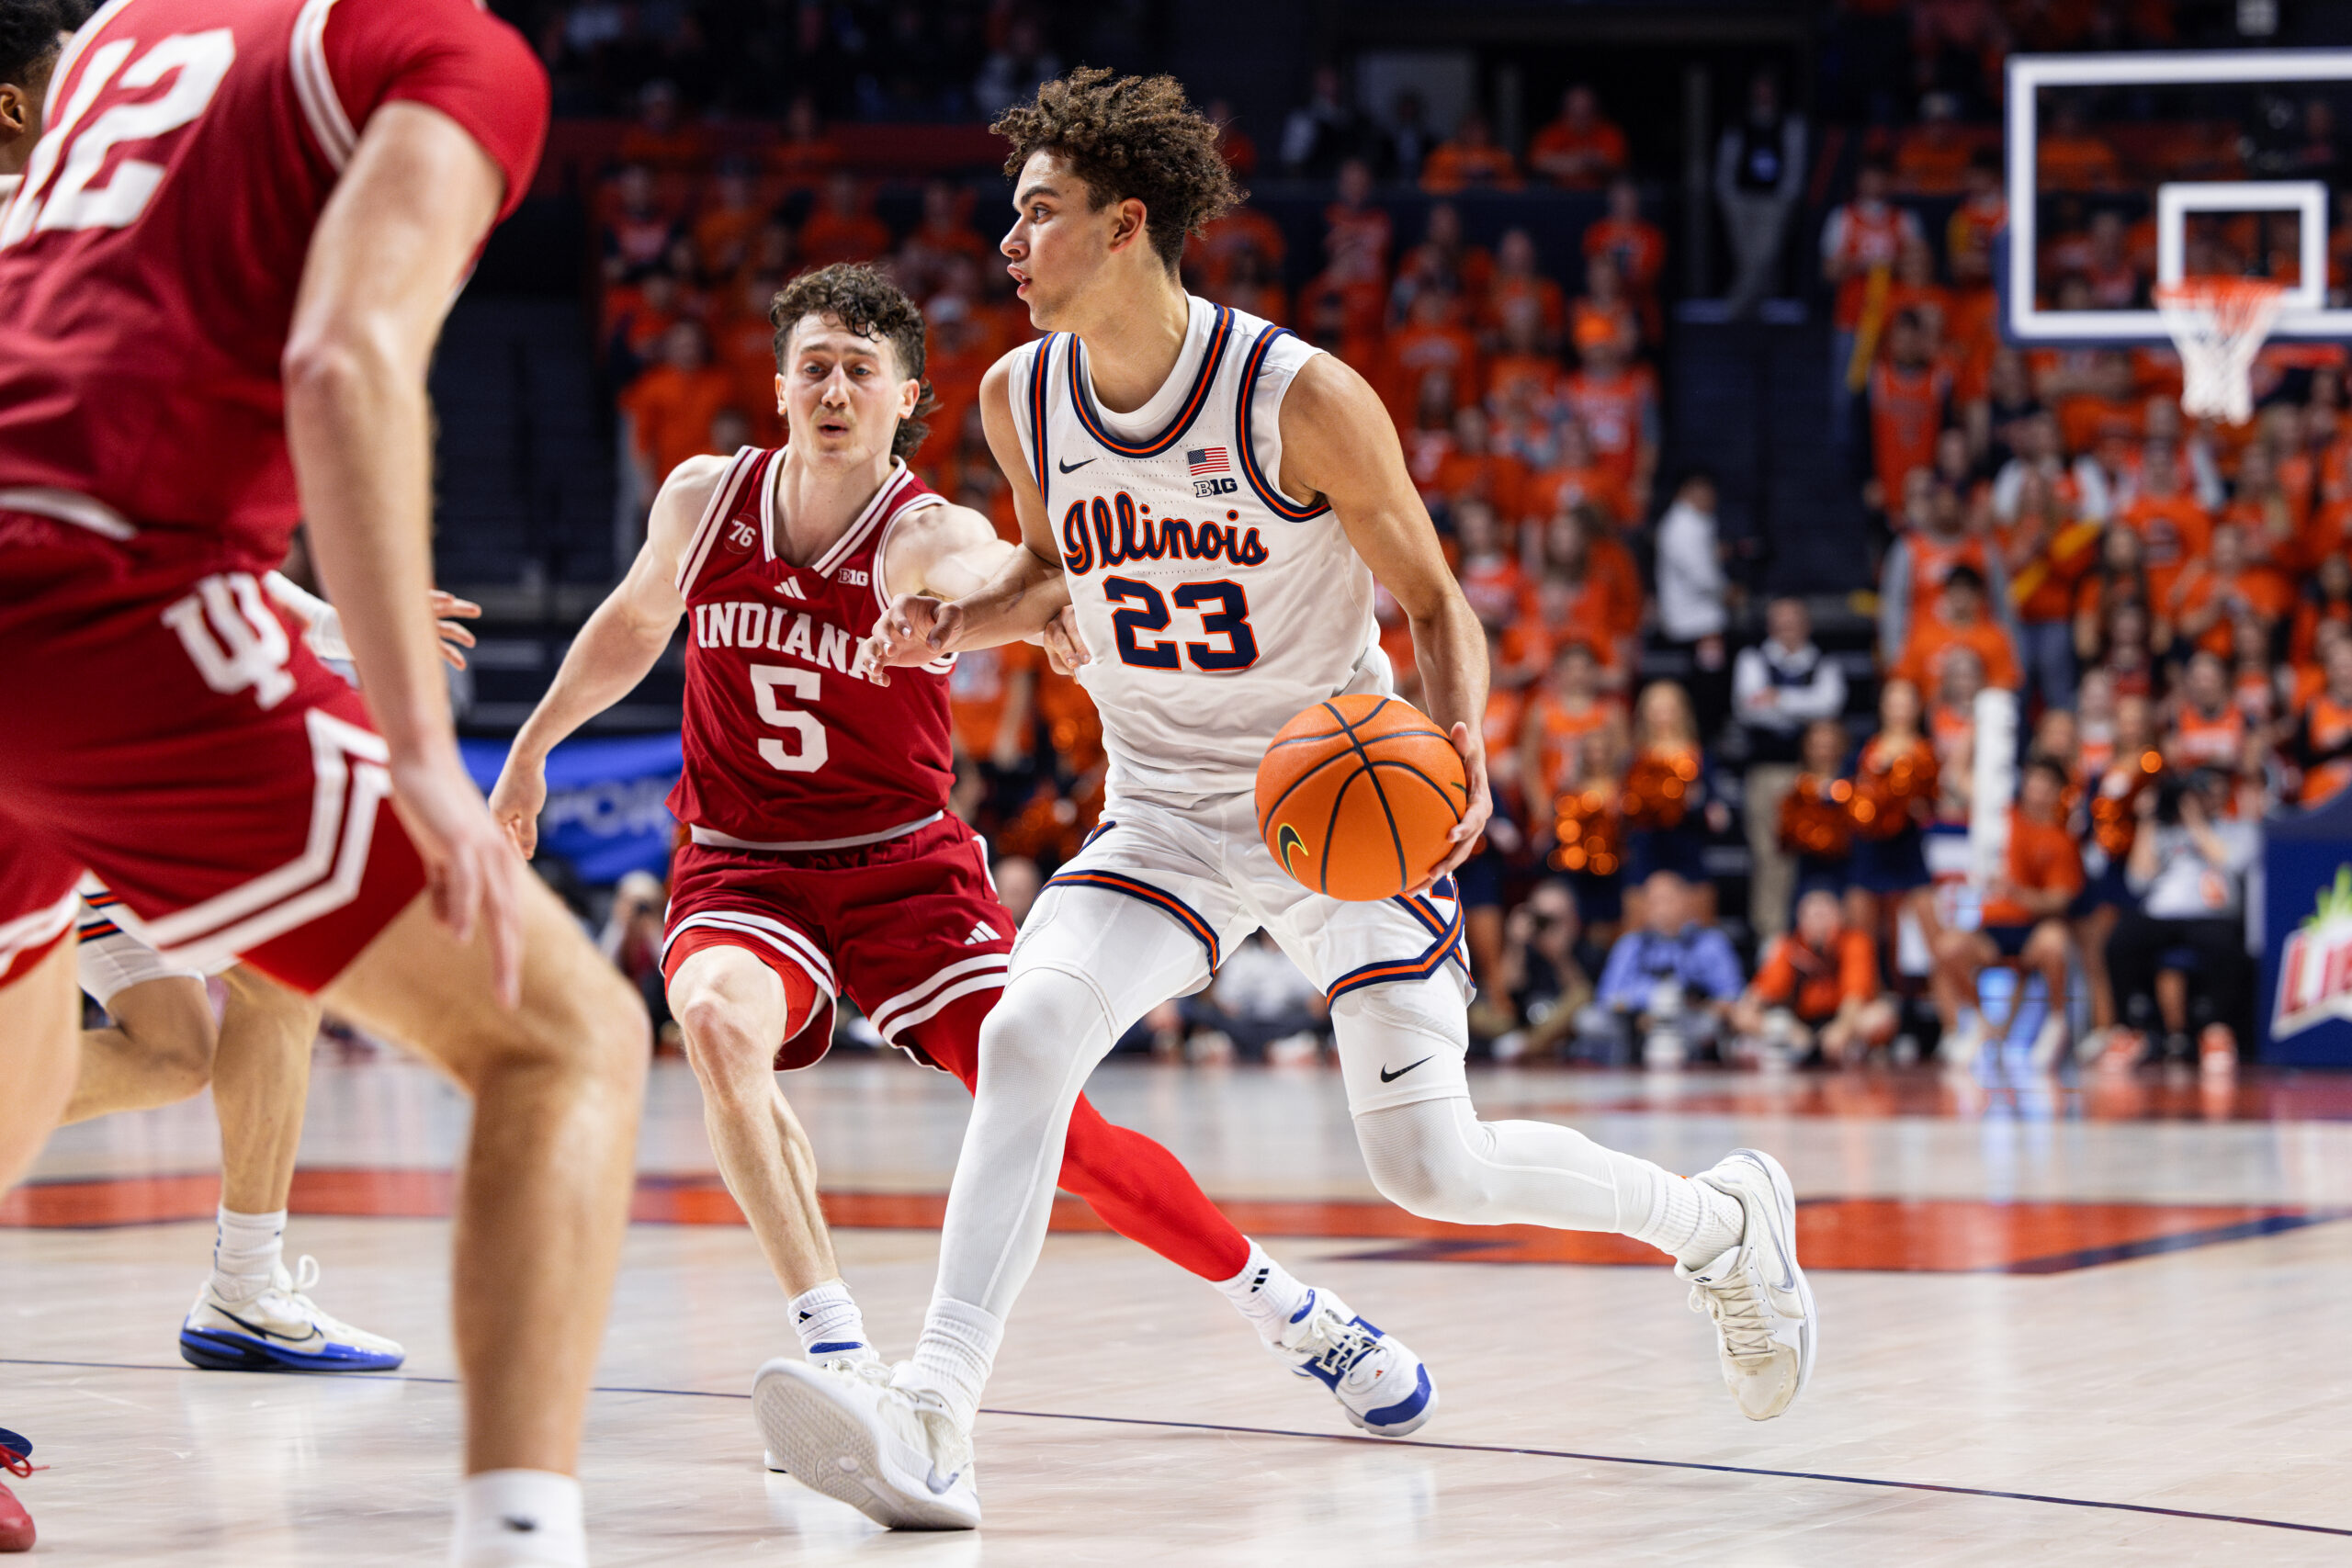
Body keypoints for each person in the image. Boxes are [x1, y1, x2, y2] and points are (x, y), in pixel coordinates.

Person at [803, 69, 1820, 1530]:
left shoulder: (1299, 396)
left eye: (1038, 214)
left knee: (1432, 1166)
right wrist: (954, 619)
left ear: (1128, 224)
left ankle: (1721, 1222)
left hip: (1330, 797)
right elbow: (1047, 575)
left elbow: (1431, 594)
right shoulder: (1027, 397)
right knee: (1025, 1029)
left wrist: (1459, 747)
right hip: (1161, 809)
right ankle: (935, 1408)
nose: (1006, 245)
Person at [492, 262, 1380, 1455]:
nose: (836, 387)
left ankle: (1283, 1304)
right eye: (815, 366)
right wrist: (533, 746)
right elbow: (637, 622)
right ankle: (842, 1351)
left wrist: (1023, 600)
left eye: (862, 370)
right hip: (744, 867)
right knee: (709, 1017)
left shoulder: (919, 527)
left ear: (907, 398)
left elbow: (971, 566)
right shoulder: (706, 499)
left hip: (902, 873)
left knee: (1058, 1130)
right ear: (780, 385)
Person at [0, 6, 651, 1565]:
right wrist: (423, 746)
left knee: (36, 1051)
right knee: (564, 1040)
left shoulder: (117, 40)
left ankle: (251, 1272)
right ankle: (518, 1535)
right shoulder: (446, 51)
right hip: (107, 598)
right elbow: (346, 351)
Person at [60, 581, 475, 1374]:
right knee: (277, 968)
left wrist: (328, 621)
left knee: (172, 1052)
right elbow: (188, 556)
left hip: (74, 762)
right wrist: (333, 622)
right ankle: (245, 1287)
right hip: (69, 761)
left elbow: (195, 561)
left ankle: (244, 1290)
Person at [1932, 756, 2082, 1072]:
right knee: (1948, 947)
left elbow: (2060, 900)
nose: (2037, 791)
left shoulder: (2060, 840)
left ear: (2058, 792)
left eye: (2046, 785)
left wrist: (2019, 894)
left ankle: (2056, 1025)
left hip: (2032, 929)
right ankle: (1979, 1024)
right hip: (1993, 926)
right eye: (2033, 782)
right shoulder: (2000, 820)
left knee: (2055, 941)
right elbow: (1959, 778)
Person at [2105, 768, 2258, 1072]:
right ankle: (2128, 1029)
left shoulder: (2237, 829)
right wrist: (2148, 821)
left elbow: (2232, 862)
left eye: (2211, 794)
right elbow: (2137, 880)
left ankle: (2216, 1031)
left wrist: (2195, 822)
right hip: (2162, 914)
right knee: (2119, 940)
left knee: (2226, 944)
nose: (2204, 799)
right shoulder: (2161, 831)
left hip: (2210, 915)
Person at [1733, 598, 1849, 937]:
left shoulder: (1823, 661)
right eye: (1779, 623)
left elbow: (1828, 705)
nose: (1786, 630)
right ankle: (1771, 935)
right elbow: (1751, 707)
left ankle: (1821, 934)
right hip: (1769, 771)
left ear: (1806, 625)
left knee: (1821, 855)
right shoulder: (1753, 659)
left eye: (1793, 622)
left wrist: (1779, 700)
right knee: (1771, 857)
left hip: (1817, 773)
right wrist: (1804, 704)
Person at [1591, 870, 1745, 1067]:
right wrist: (1642, 1007)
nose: (1661, 909)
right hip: (1638, 1023)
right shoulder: (1630, 944)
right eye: (1655, 901)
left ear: (1685, 902)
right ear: (1645, 906)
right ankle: (1624, 1065)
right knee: (1590, 1020)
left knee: (1711, 1025)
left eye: (1668, 900)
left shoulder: (1711, 943)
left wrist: (1697, 1004)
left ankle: (1699, 1066)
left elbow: (1732, 995)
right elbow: (1606, 997)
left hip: (1689, 1020)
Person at [1732, 888, 1894, 1067]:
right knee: (1745, 1021)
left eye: (1825, 915)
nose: (1820, 923)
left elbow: (1855, 995)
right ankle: (1788, 1047)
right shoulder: (1789, 947)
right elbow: (1758, 995)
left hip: (1843, 1020)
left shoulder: (1855, 942)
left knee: (1880, 1017)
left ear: (1839, 916)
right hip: (1801, 1025)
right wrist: (1784, 1028)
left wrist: (1841, 1029)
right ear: (1801, 919)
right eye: (1814, 916)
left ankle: (1855, 1050)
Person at [1713, 69, 1806, 320]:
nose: (1763, 95)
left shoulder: (1789, 122)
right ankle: (1758, 309)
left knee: (1765, 254)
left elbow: (1795, 162)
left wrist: (1787, 199)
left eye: (1768, 89)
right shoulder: (1740, 122)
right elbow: (1727, 161)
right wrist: (1727, 196)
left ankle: (1734, 308)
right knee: (1748, 260)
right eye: (1759, 89)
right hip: (1741, 201)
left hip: (1774, 202)